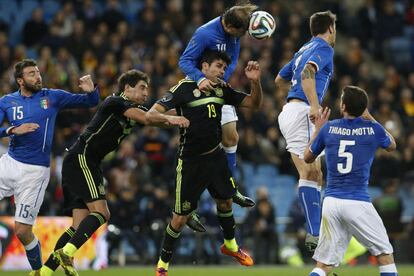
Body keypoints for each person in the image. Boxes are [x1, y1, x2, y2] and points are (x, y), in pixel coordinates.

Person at [38, 69, 188, 276]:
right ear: (127, 88)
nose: (146, 93)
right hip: (82, 158)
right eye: (142, 88)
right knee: (102, 213)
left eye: (148, 89)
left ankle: (43, 272)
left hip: (84, 162)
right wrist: (172, 120)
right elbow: (148, 118)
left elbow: (154, 115)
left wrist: (184, 112)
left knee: (77, 226)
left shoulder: (131, 108)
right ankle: (68, 251)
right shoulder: (115, 102)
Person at [147, 50, 262, 276]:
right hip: (190, 162)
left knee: (226, 202)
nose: (222, 71)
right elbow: (151, 115)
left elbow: (253, 104)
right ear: (204, 66)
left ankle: (230, 246)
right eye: (218, 66)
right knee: (179, 219)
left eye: (223, 67)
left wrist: (255, 83)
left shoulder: (222, 89)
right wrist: (172, 119)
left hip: (215, 156)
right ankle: (162, 266)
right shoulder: (183, 88)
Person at [0, 59, 99, 275]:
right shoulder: (6, 101)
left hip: (35, 172)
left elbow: (89, 102)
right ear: (20, 80)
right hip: (9, 163)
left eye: (38, 72)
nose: (38, 77)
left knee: (22, 231)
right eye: (31, 74)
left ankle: (38, 272)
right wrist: (11, 131)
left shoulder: (52, 97)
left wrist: (92, 91)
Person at [304, 85, 398, 276]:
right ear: (363, 108)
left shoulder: (329, 128)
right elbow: (392, 145)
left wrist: (317, 129)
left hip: (331, 203)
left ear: (343, 106)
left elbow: (307, 157)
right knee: (385, 255)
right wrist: (369, 116)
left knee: (324, 265)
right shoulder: (373, 130)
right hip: (357, 201)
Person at [179, 1, 257, 221]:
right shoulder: (204, 34)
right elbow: (184, 61)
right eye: (239, 34)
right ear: (230, 27)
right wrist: (201, 78)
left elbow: (231, 63)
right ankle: (187, 204)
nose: (240, 38)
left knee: (231, 136)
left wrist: (222, 78)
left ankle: (231, 188)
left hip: (219, 89)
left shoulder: (235, 35)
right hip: (198, 90)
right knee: (197, 148)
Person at [274, 10, 336, 251]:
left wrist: (292, 100)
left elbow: (280, 79)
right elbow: (307, 73)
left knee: (315, 174)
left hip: (293, 112)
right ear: (330, 28)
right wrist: (312, 104)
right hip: (302, 113)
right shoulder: (323, 49)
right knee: (310, 172)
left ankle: (317, 236)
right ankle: (315, 234)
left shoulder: (303, 49)